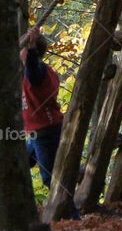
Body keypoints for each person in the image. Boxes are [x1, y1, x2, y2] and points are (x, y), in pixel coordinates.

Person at [19, 24, 79, 218]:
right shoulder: (29, 74)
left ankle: (73, 217)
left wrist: (32, 45)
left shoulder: (39, 74)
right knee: (20, 162)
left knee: (51, 179)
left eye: (24, 49)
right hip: (38, 133)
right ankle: (21, 211)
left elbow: (32, 68)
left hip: (47, 132)